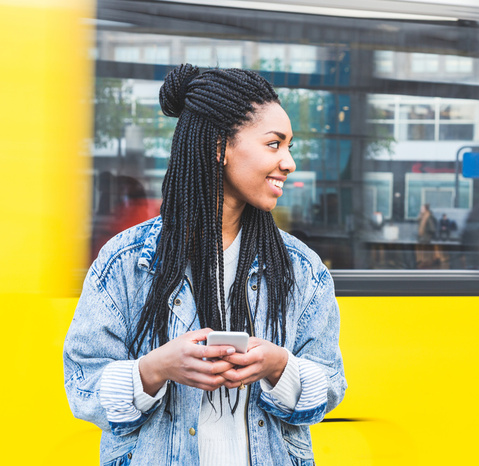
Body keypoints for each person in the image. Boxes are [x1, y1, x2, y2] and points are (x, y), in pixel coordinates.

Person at [64, 64, 346, 466]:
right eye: (274, 144)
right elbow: (83, 388)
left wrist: (278, 366)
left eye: (290, 147)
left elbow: (329, 388)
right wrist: (155, 369)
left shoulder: (301, 268)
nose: (289, 163)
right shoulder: (125, 263)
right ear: (219, 146)